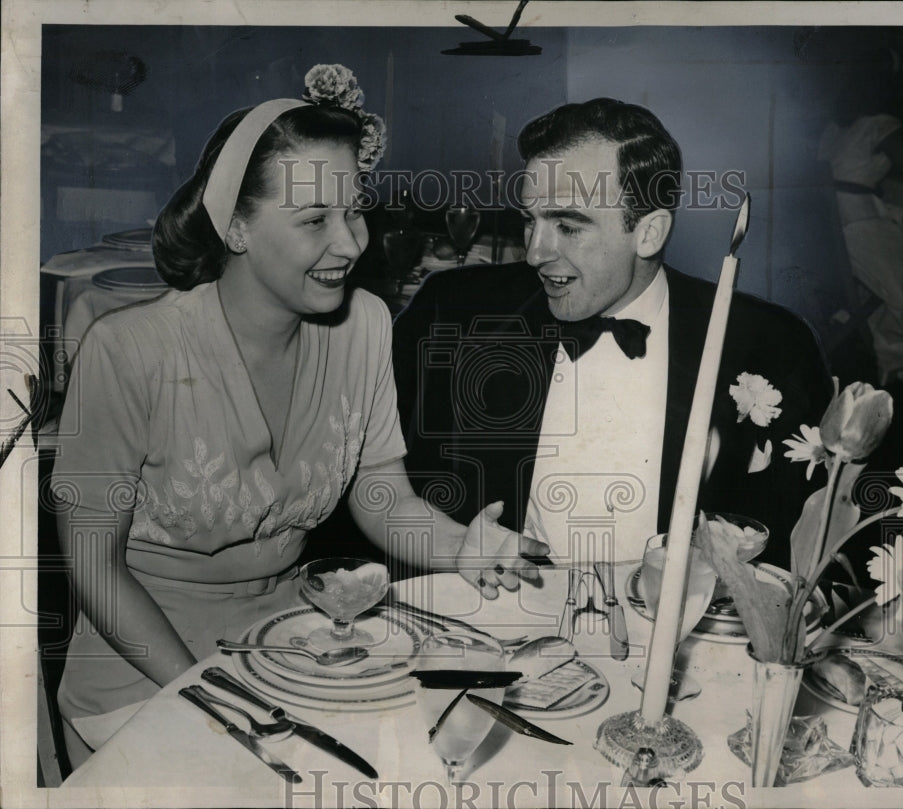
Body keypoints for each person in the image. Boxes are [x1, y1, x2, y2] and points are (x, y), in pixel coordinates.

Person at [51, 63, 544, 768]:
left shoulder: (366, 324)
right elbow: (94, 567)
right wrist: (211, 692)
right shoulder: (128, 350)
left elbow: (382, 495)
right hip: (144, 672)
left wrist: (458, 545)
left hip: (293, 651)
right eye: (315, 219)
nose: (350, 243)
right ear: (238, 226)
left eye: (354, 212)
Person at [393, 98, 833, 572]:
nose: (536, 253)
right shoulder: (452, 314)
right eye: (530, 221)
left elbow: (806, 545)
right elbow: (379, 488)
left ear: (649, 233)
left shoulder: (768, 342)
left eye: (567, 225)